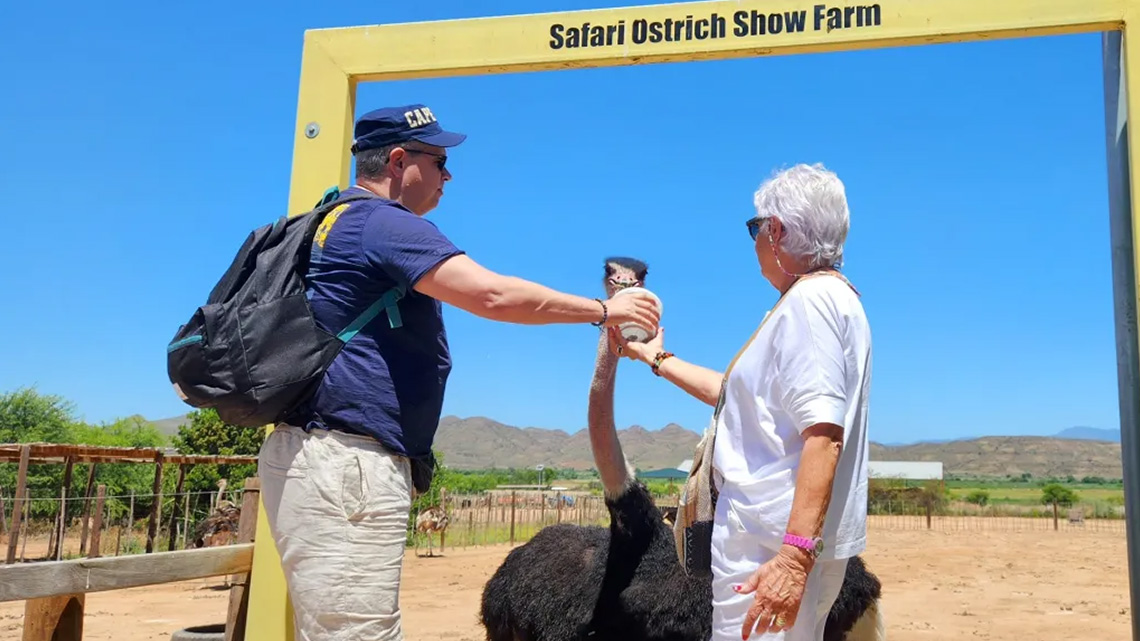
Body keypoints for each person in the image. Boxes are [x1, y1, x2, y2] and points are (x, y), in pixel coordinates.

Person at [256, 103, 661, 641]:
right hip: (347, 462)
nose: (448, 174)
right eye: (439, 160)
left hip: (324, 457)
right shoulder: (382, 222)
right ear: (399, 161)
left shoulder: (332, 218)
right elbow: (492, 295)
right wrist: (605, 310)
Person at [613, 163, 871, 641]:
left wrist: (792, 559)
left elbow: (823, 436)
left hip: (767, 545)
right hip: (771, 540)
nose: (753, 240)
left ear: (776, 232)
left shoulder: (810, 305)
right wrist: (654, 357)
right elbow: (736, 399)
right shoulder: (821, 301)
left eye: (755, 227)